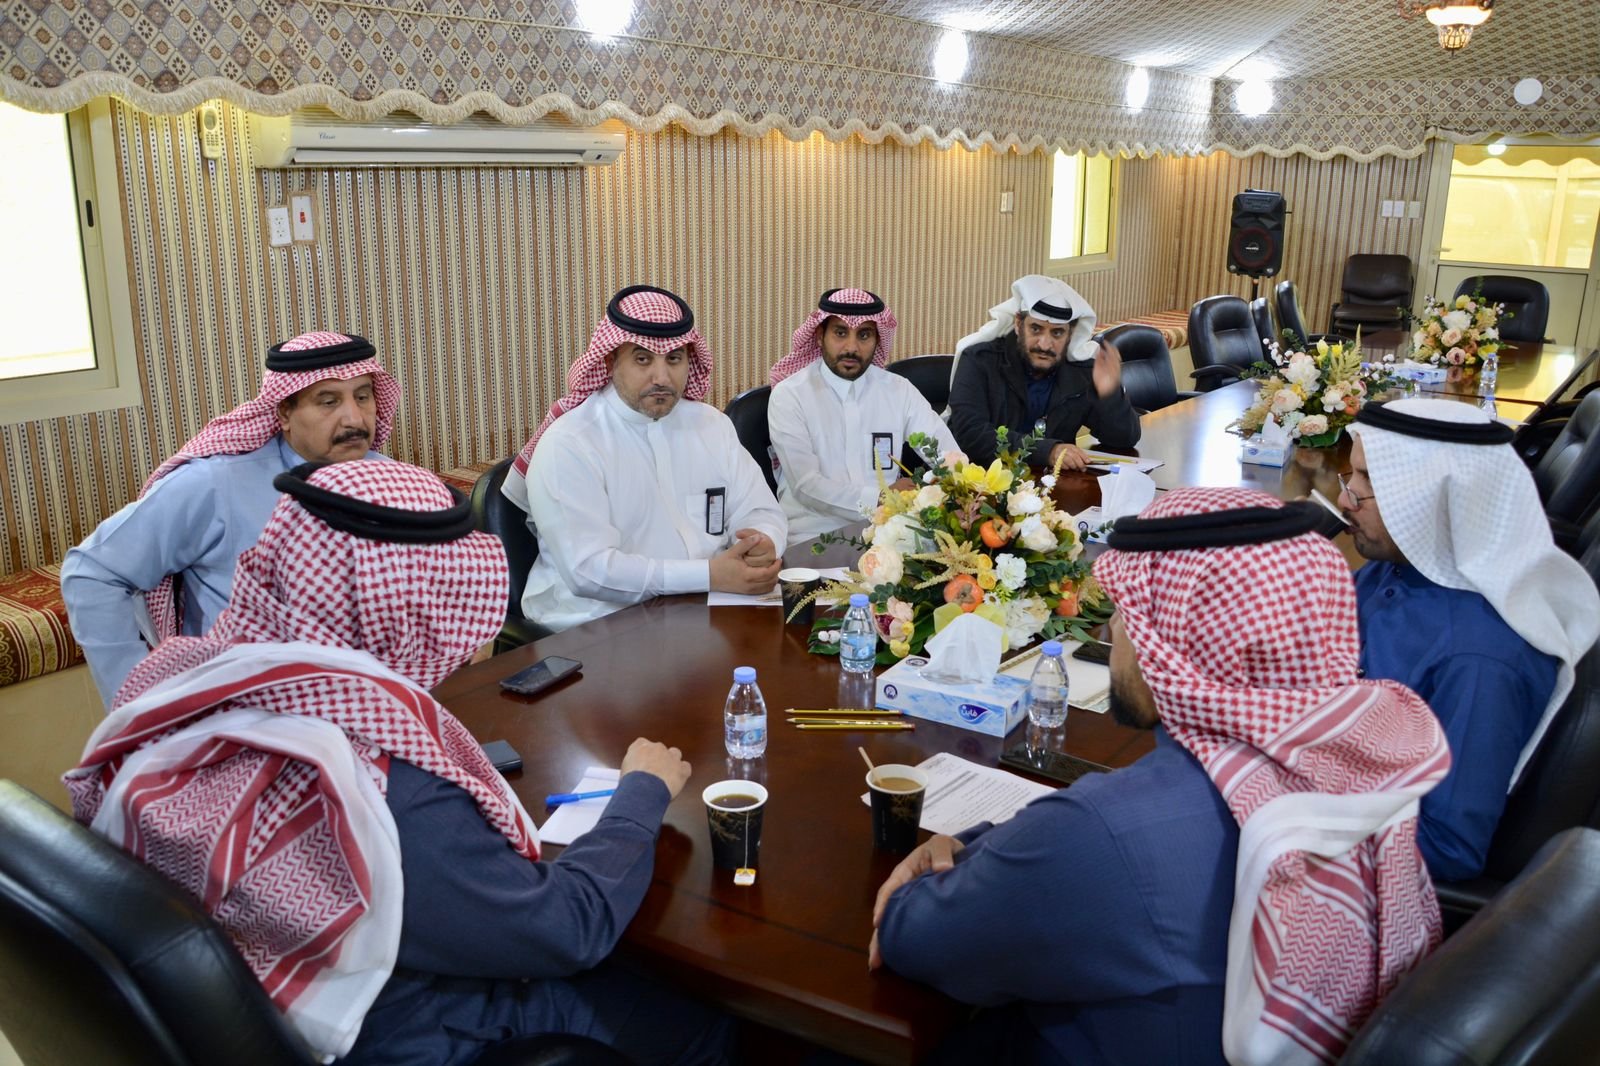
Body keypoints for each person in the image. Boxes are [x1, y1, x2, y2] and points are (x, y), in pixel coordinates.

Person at [64, 460, 729, 1066]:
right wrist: (641, 792)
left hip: (261, 1014)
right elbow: (568, 930)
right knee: (707, 1026)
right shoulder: (380, 784)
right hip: (410, 1035)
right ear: (411, 607)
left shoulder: (176, 685)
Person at [872, 488, 1450, 1066]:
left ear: (1174, 642)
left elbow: (914, 936)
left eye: (1127, 612)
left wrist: (949, 864)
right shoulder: (1367, 762)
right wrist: (973, 846)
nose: (1115, 631)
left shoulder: (1106, 831)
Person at [60, 330, 398, 705]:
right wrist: (140, 704)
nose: (354, 418)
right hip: (241, 709)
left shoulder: (393, 481)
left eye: (362, 396)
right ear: (284, 413)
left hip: (365, 703)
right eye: (328, 401)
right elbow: (92, 573)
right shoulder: (216, 483)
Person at [1343, 398, 1600, 882]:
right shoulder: (1396, 567)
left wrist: (1282, 801)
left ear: (1437, 499)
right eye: (1351, 476)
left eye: (1370, 482)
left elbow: (1448, 848)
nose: (1345, 500)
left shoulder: (1481, 659)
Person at [503, 285, 787, 631]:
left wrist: (763, 541)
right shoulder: (571, 443)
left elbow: (761, 509)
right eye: (642, 359)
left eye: (674, 359)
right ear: (610, 361)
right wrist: (710, 575)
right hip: (596, 625)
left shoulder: (711, 426)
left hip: (704, 609)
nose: (661, 378)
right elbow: (589, 571)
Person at [767, 287, 958, 537]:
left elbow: (947, 454)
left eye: (864, 335)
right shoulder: (790, 395)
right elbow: (806, 485)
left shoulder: (898, 390)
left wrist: (963, 489)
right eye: (840, 333)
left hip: (890, 532)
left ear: (877, 339)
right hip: (814, 535)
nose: (852, 347)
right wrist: (880, 498)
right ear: (820, 336)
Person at [948, 275, 1139, 470]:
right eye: (1036, 329)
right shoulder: (979, 361)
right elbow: (969, 435)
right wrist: (1047, 451)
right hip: (982, 481)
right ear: (1018, 324)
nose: (1045, 345)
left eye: (1057, 333)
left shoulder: (1079, 371)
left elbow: (1124, 439)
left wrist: (1109, 395)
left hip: (1055, 483)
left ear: (1070, 334)